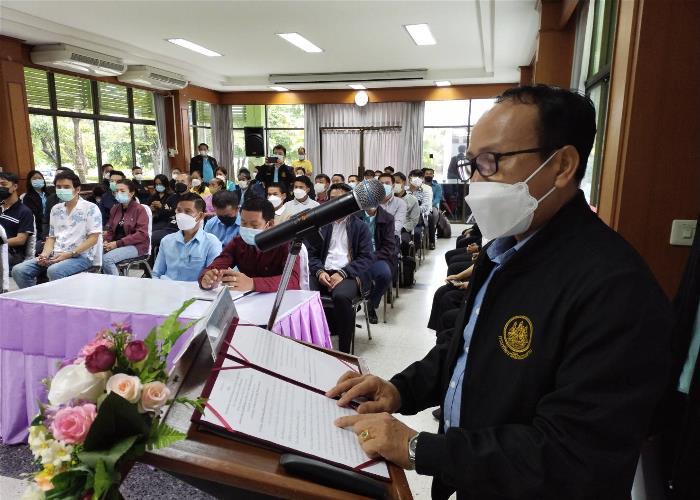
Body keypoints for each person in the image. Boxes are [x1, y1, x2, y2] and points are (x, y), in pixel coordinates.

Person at [326, 85, 672, 500]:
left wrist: (420, 448)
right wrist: (400, 389)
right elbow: (465, 350)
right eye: (472, 164)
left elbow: (573, 454)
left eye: (490, 162)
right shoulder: (503, 250)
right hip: (478, 480)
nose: (475, 181)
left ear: (561, 165)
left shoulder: (615, 289)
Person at [307, 183, 373, 353]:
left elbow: (366, 258)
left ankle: (344, 351)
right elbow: (311, 255)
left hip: (349, 274)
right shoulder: (321, 225)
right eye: (332, 199)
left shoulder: (360, 227)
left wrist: (343, 273)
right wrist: (319, 271)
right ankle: (311, 341)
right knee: (305, 293)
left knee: (341, 297)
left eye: (341, 199)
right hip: (323, 271)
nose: (335, 203)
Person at [12, 171, 101, 288]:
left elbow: (93, 238)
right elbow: (51, 237)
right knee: (19, 270)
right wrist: (44, 255)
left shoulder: (90, 208)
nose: (62, 190)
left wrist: (70, 254)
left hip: (80, 256)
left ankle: (59, 299)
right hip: (55, 254)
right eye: (58, 187)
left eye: (66, 187)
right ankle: (36, 297)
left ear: (77, 189)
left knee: (54, 271)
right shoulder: (56, 209)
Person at [200, 197, 301, 293]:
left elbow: (292, 280)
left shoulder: (285, 244)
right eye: (243, 223)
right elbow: (218, 264)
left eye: (254, 225)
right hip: (249, 298)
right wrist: (207, 277)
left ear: (270, 224)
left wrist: (253, 283)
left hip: (281, 298)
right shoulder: (238, 242)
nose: (247, 228)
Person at [152, 192, 222, 281]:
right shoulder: (166, 241)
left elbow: (212, 278)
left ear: (200, 216)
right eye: (179, 211)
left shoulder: (211, 243)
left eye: (188, 211)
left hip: (194, 289)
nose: (181, 215)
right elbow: (156, 273)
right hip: (166, 286)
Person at [101, 179, 150, 275]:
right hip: (117, 243)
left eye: (122, 191)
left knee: (107, 259)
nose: (118, 193)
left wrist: (117, 243)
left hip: (136, 245)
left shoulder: (140, 209)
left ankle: (117, 283)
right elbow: (110, 230)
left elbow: (141, 234)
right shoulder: (115, 208)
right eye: (116, 191)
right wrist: (106, 241)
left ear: (131, 193)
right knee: (94, 254)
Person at [358, 205, 395, 324]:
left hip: (377, 256)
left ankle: (371, 304)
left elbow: (389, 247)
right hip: (358, 256)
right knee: (356, 272)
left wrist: (372, 257)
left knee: (385, 274)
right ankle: (357, 299)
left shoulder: (387, 218)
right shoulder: (355, 216)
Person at [0, 172, 35, 268]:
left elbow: (21, 240)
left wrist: (2, 242)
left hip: (13, 253)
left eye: (3, 184)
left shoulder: (24, 211)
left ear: (15, 186)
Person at [393, 172, 421, 255]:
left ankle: (404, 259)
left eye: (397, 182)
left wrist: (401, 228)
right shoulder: (388, 198)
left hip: (404, 229)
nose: (395, 185)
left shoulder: (412, 200)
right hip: (388, 229)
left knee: (404, 241)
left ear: (404, 182)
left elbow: (414, 220)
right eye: (393, 182)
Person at [22, 170, 51, 241]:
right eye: (34, 178)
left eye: (40, 178)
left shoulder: (49, 194)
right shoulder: (27, 197)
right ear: (30, 181)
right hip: (39, 228)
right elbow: (32, 215)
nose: (37, 180)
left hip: (51, 224)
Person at [423, 167, 442, 249]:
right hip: (421, 206)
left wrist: (429, 205)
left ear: (433, 175)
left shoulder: (437, 187)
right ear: (424, 175)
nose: (428, 175)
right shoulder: (420, 185)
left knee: (433, 216)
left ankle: (431, 242)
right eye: (427, 174)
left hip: (432, 206)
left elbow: (437, 198)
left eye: (430, 174)